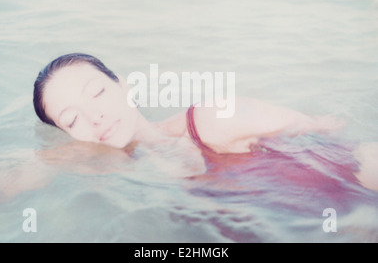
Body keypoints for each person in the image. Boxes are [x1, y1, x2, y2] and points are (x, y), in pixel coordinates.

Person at [33, 53, 378, 191]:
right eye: (72, 119)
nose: (95, 117)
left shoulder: (209, 120)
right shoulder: (114, 164)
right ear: (68, 135)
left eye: (96, 93)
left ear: (123, 85)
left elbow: (329, 134)